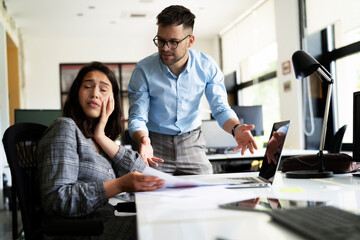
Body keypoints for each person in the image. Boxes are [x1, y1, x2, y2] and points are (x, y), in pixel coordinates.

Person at [36, 61, 164, 240]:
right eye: (87, 86)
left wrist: (101, 136)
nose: (95, 93)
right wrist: (118, 185)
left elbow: (143, 171)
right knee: (166, 230)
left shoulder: (99, 141)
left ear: (113, 101)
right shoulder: (65, 128)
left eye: (103, 90)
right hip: (83, 231)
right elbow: (56, 200)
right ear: (76, 94)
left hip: (104, 223)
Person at [128, 5, 258, 175]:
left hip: (192, 143)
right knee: (151, 198)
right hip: (154, 145)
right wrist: (144, 140)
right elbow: (137, 117)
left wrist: (236, 128)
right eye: (160, 40)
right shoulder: (143, 70)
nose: (165, 48)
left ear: (190, 41)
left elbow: (220, 109)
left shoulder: (206, 66)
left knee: (206, 196)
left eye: (173, 42)